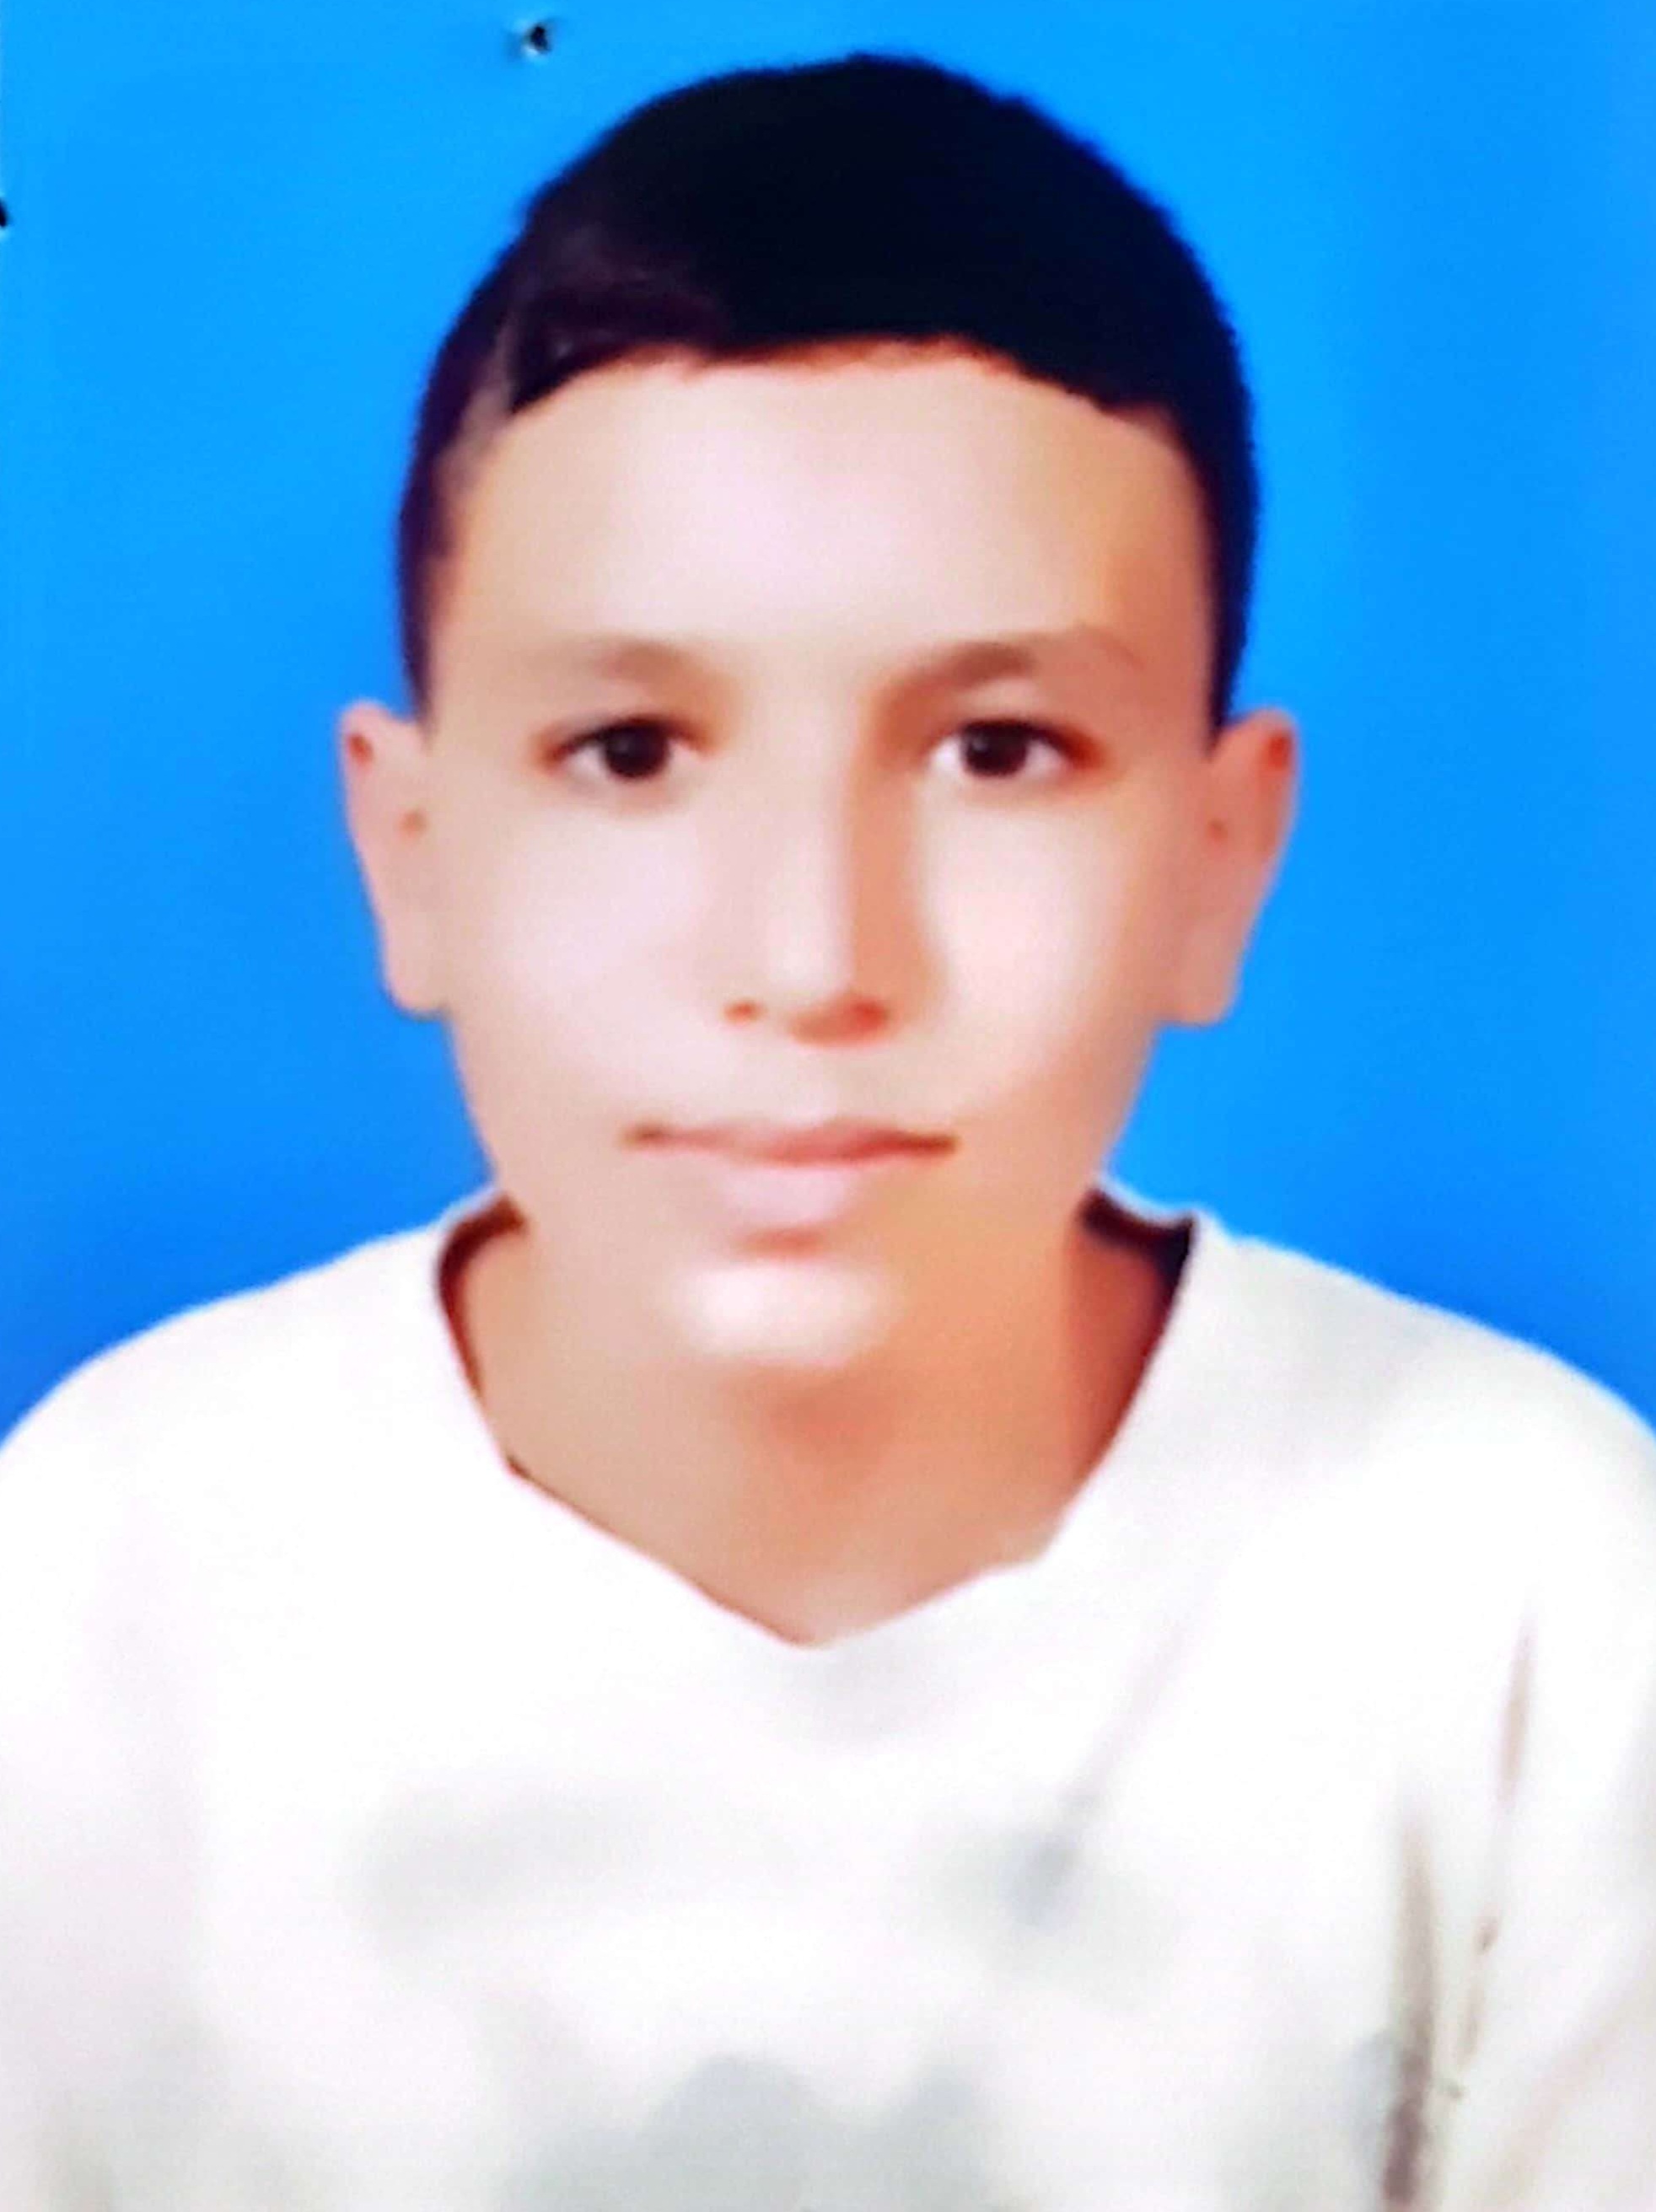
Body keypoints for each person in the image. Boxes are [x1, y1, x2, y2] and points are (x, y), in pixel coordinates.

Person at [2, 46, 1652, 2212]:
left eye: (996, 751)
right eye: (627, 750)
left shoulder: (1534, 1591)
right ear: (410, 854)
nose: (810, 958)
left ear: (1217, 858)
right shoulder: (103, 1576)